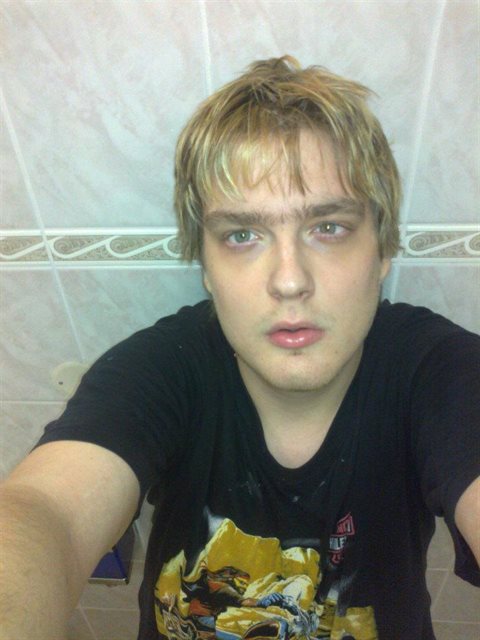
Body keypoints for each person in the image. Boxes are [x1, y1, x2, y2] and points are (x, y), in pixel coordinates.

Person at [0, 56, 478, 640]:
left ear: (382, 250)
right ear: (206, 266)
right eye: (242, 235)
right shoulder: (159, 370)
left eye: (328, 227)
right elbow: (44, 512)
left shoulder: (437, 372)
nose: (289, 281)